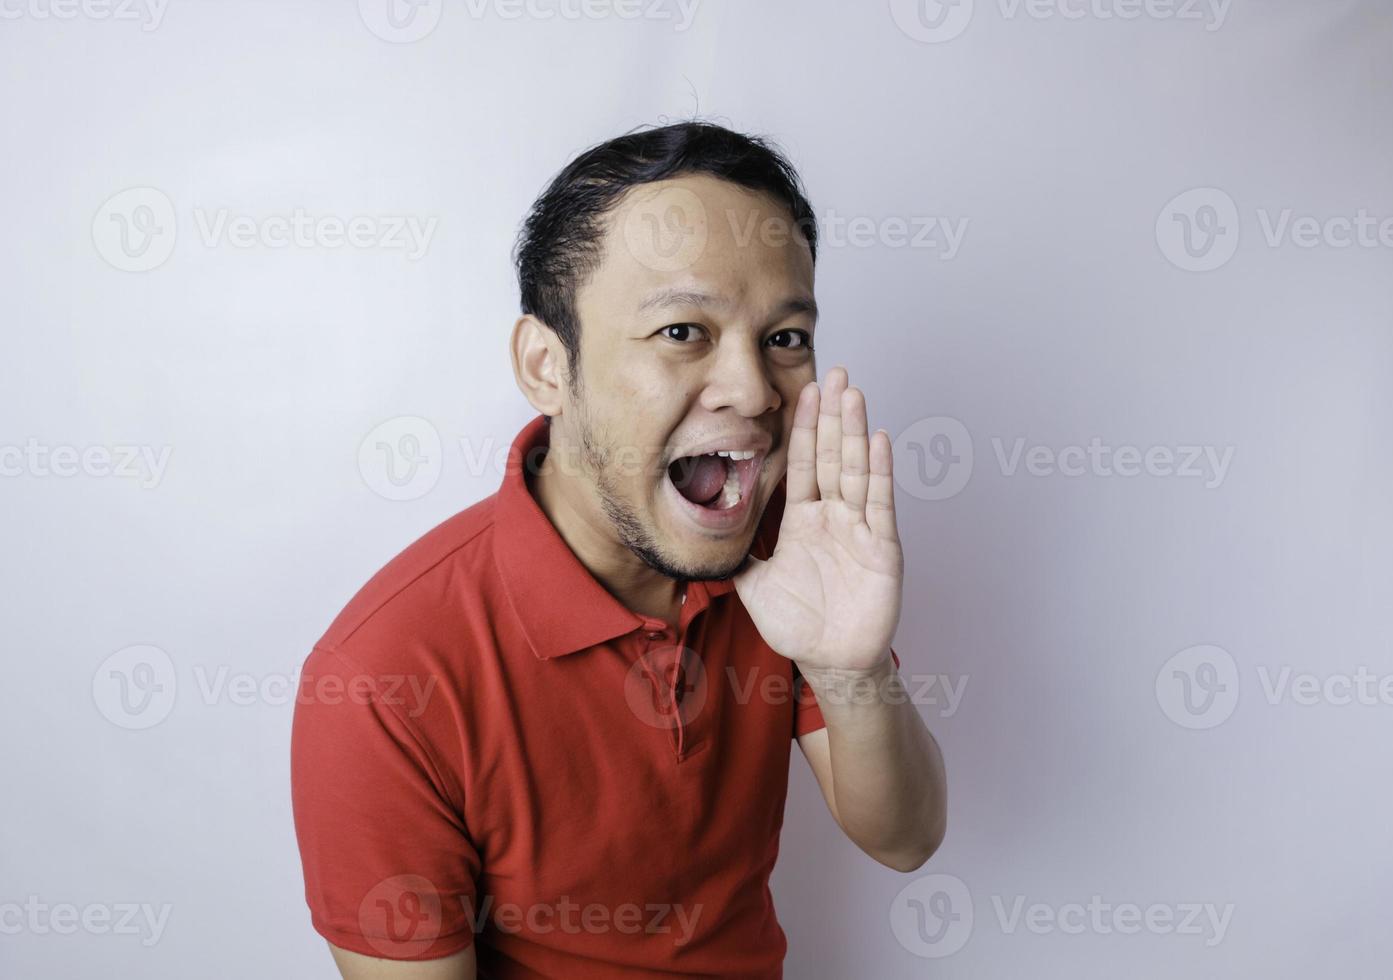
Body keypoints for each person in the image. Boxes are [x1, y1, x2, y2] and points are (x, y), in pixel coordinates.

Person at [290, 120, 947, 979]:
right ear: (546, 366)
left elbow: (905, 839)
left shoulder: (789, 552)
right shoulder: (381, 679)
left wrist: (850, 669)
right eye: (683, 331)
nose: (754, 391)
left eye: (785, 338)